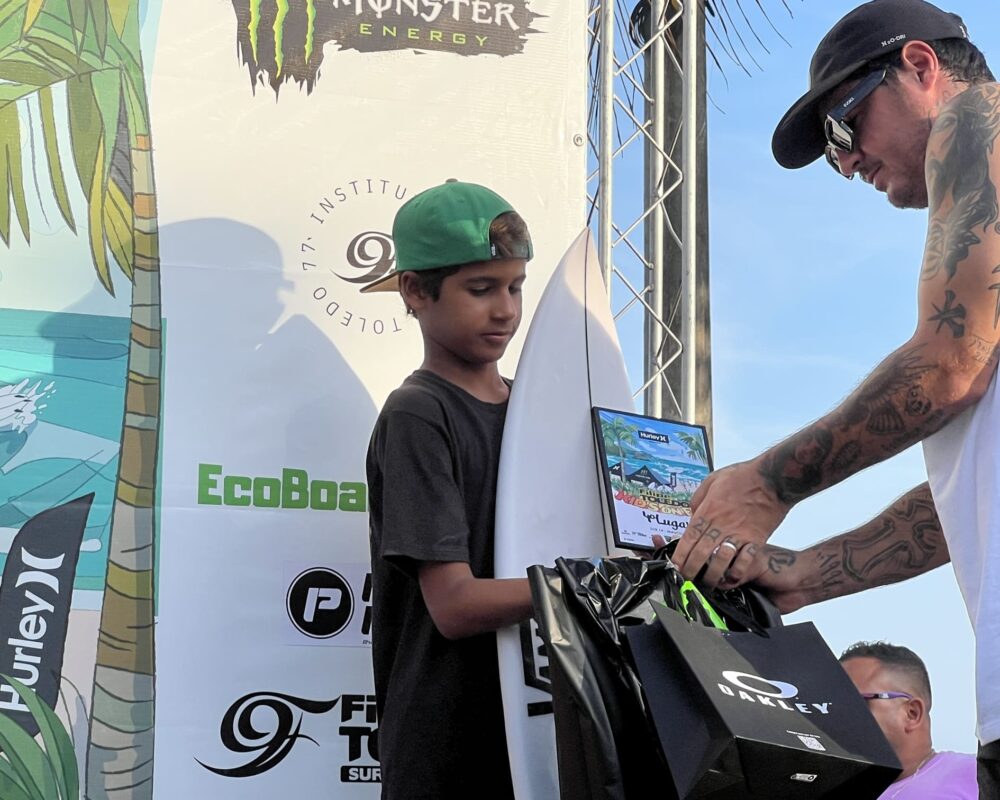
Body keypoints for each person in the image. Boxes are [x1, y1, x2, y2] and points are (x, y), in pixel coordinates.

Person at [666, 0, 1000, 794]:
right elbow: (969, 500)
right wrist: (812, 572)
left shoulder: (978, 119)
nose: (845, 163)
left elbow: (949, 363)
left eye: (846, 127)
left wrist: (766, 483)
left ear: (921, 67)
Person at [364, 180, 535, 799]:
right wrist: (587, 584)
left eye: (515, 286)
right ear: (414, 291)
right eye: (481, 288)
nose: (506, 310)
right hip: (449, 755)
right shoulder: (417, 413)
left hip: (543, 742)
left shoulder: (538, 407)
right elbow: (455, 606)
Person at [840, 641, 977, 798]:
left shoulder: (975, 775)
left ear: (912, 713)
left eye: (854, 702)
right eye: (833, 703)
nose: (839, 714)